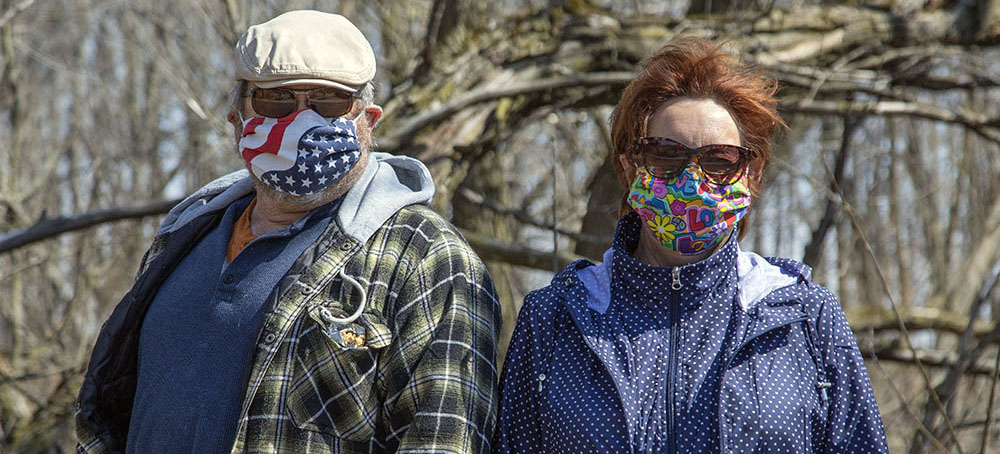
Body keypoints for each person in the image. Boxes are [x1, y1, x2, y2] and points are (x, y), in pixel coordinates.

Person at [75, 10, 500, 454]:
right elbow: (107, 420)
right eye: (276, 101)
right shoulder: (183, 239)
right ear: (237, 118)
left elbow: (444, 441)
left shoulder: (428, 259)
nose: (302, 120)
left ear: (368, 119)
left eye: (329, 101)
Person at [495, 38, 888, 453]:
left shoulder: (805, 317)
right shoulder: (555, 319)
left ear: (750, 174)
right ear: (629, 167)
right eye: (667, 155)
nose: (693, 181)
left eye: (719, 161)